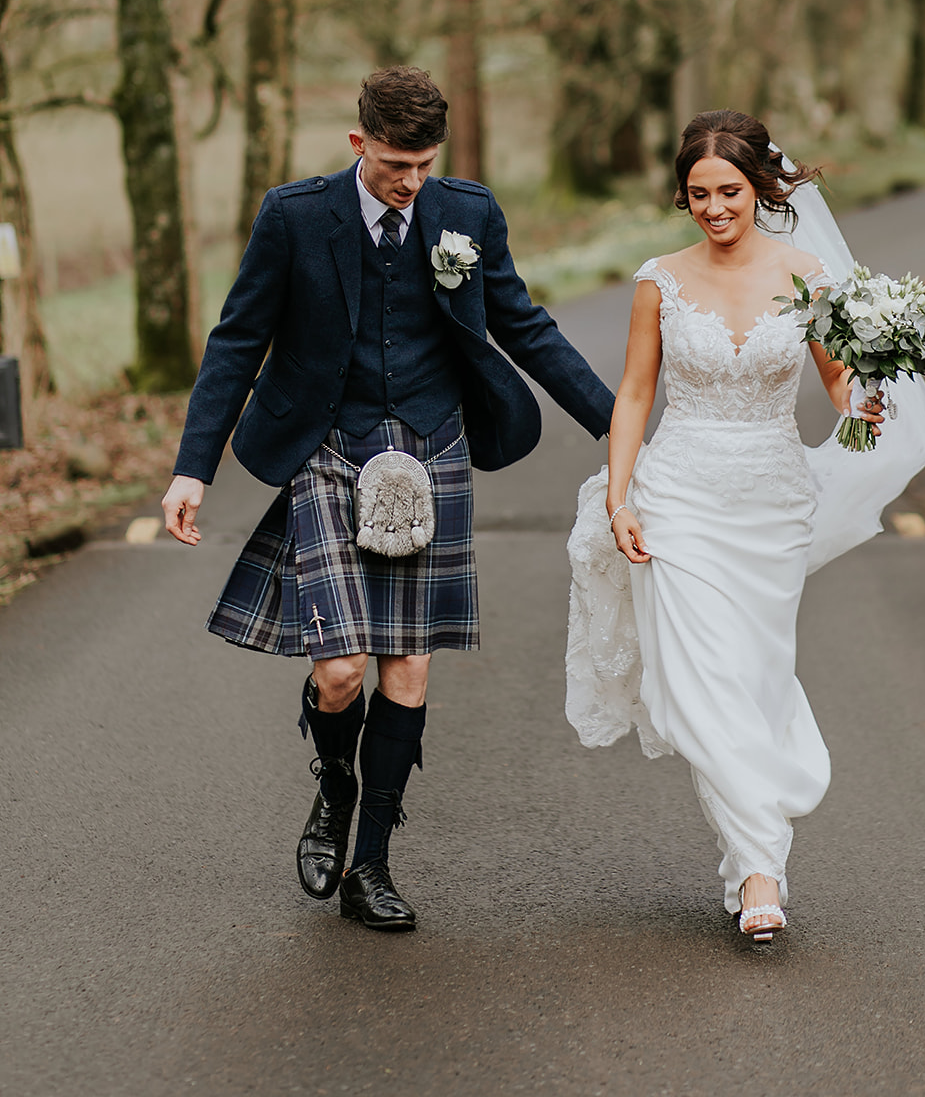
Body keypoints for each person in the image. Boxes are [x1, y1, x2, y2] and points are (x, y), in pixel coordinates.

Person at [163, 66, 614, 931]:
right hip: (327, 447)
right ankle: (334, 786)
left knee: (406, 666)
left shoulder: (468, 214)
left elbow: (522, 323)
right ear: (357, 141)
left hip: (432, 445)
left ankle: (370, 863)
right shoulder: (294, 215)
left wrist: (615, 427)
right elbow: (236, 341)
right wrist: (194, 466)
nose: (410, 181)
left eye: (423, 163)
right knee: (337, 670)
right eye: (395, 164)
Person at [565, 109, 925, 941]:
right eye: (696, 193)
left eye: (727, 190)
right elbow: (633, 396)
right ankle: (762, 872)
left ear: (760, 188)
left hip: (771, 500)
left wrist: (867, 405)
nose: (712, 207)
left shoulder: (808, 275)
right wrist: (621, 498)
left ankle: (749, 866)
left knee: (753, 678)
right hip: (678, 497)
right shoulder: (658, 279)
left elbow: (842, 392)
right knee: (692, 683)